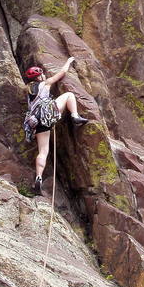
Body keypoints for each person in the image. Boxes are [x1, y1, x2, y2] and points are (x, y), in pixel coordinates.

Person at [24, 57, 88, 195]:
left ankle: (38, 177)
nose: (44, 75)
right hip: (48, 113)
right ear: (39, 76)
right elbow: (62, 73)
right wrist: (69, 61)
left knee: (43, 152)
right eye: (41, 74)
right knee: (69, 95)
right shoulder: (45, 83)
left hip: (37, 122)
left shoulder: (29, 91)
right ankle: (75, 116)